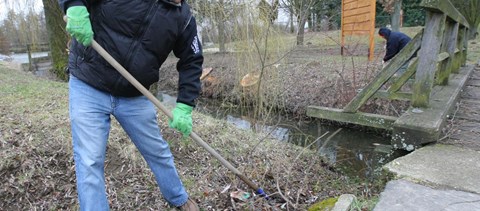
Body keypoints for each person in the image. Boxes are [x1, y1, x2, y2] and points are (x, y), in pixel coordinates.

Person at [58, 0, 203, 210]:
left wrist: (185, 105)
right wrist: (73, 4)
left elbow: (192, 60)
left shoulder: (183, 18)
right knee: (89, 161)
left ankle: (178, 197)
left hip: (134, 94)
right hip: (89, 83)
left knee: (157, 151)